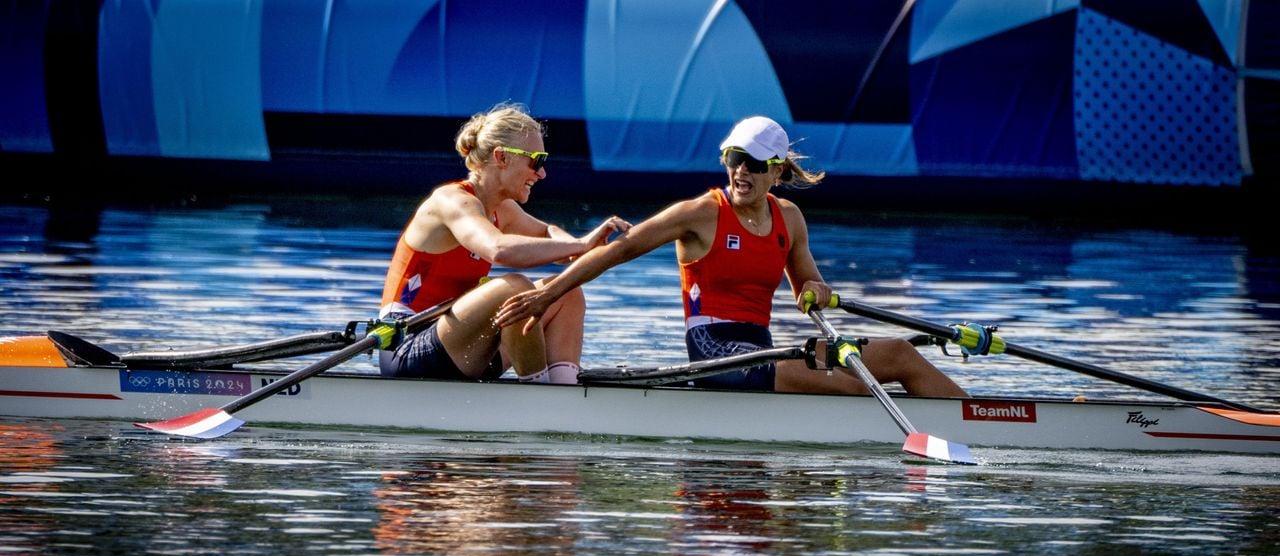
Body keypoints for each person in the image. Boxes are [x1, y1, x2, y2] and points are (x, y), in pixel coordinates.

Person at [496, 116, 967, 397]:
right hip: (715, 353)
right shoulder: (699, 214)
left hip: (761, 347)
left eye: (755, 163)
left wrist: (816, 291)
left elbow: (808, 287)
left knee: (900, 355)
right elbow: (617, 251)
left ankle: (982, 421)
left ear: (777, 171)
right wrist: (547, 295)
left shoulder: (790, 218)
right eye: (733, 158)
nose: (741, 171)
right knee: (852, 381)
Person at [378, 103, 631, 384]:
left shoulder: (504, 209)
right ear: (501, 157)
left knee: (566, 293)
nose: (542, 173)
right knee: (514, 288)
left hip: (461, 346)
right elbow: (499, 249)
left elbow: (547, 233)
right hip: (406, 348)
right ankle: (539, 395)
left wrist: (579, 248)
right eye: (536, 160)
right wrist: (581, 245)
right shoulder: (451, 201)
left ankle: (563, 388)